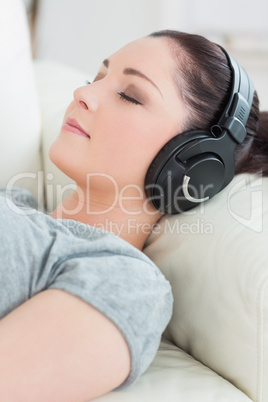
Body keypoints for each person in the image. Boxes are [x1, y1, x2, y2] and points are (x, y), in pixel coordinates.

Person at [0, 7, 267, 401]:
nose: (83, 94)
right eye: (97, 78)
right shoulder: (19, 200)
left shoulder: (126, 284)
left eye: (129, 95)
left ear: (193, 163)